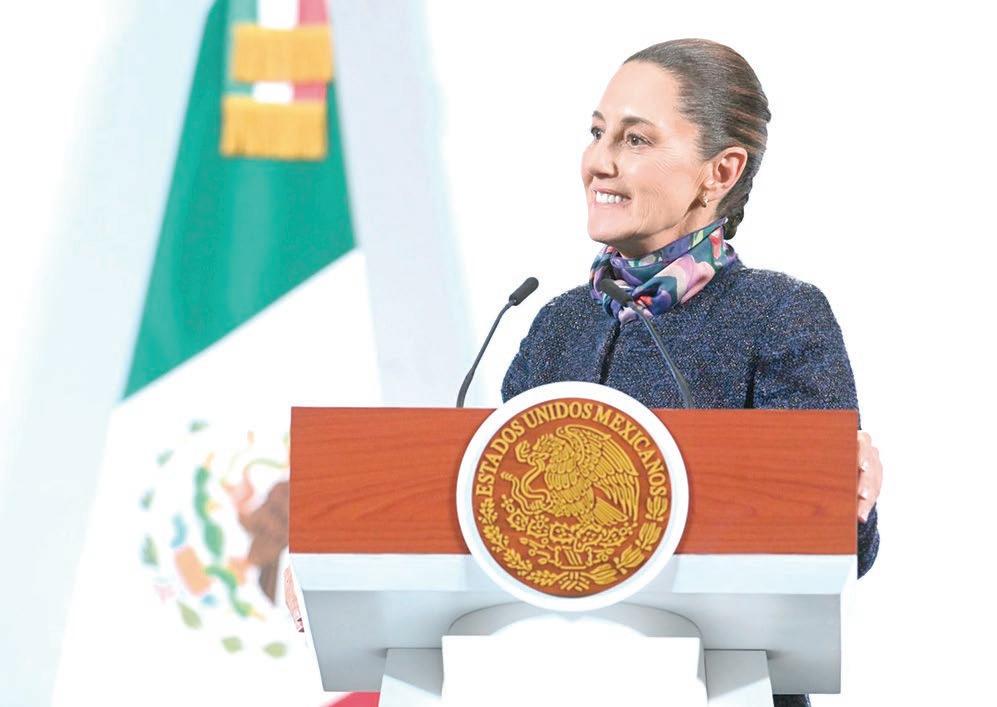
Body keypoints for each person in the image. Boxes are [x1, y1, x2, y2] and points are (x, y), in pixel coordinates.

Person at [499, 39, 882, 707]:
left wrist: (850, 502)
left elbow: (833, 543)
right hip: (554, 679)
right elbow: (495, 515)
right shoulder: (557, 323)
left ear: (720, 171)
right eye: (596, 132)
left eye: (635, 139)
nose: (599, 161)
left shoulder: (778, 313)